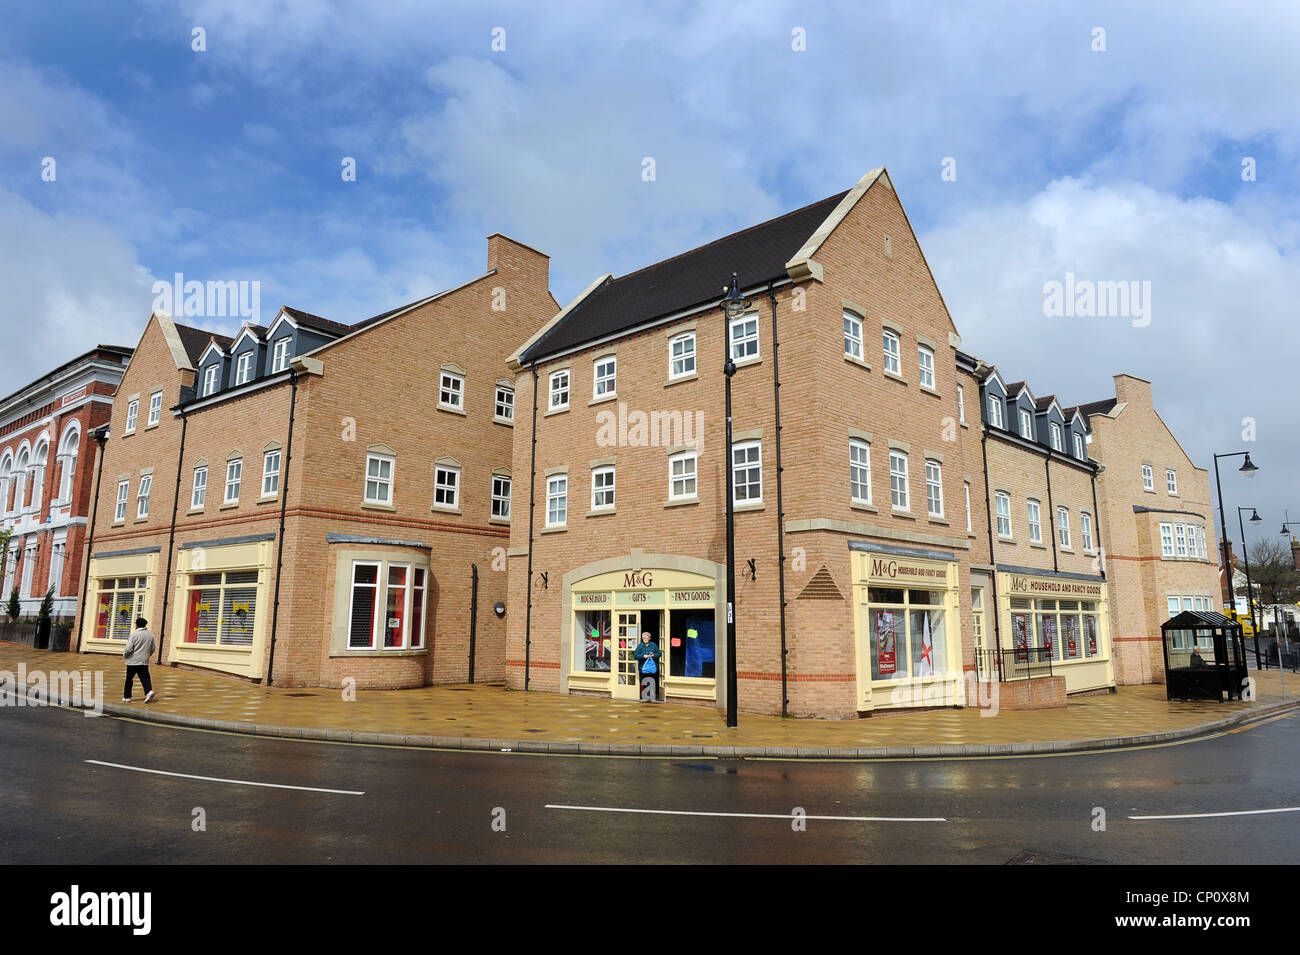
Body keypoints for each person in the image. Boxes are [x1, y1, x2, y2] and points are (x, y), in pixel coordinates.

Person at [122, 617, 157, 703]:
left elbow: (128, 648)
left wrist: (125, 655)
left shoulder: (134, 635)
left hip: (132, 661)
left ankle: (127, 697)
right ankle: (149, 691)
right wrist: (147, 655)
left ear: (137, 625)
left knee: (129, 679)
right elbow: (153, 648)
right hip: (144, 661)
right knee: (145, 677)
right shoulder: (150, 634)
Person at [633, 631, 661, 702]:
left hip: (652, 668)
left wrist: (653, 655)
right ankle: (645, 698)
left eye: (646, 637)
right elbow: (635, 655)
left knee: (652, 682)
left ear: (649, 638)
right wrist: (643, 656)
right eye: (643, 638)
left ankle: (652, 697)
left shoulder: (653, 645)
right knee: (644, 682)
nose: (644, 639)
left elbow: (659, 654)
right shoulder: (640, 646)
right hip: (643, 668)